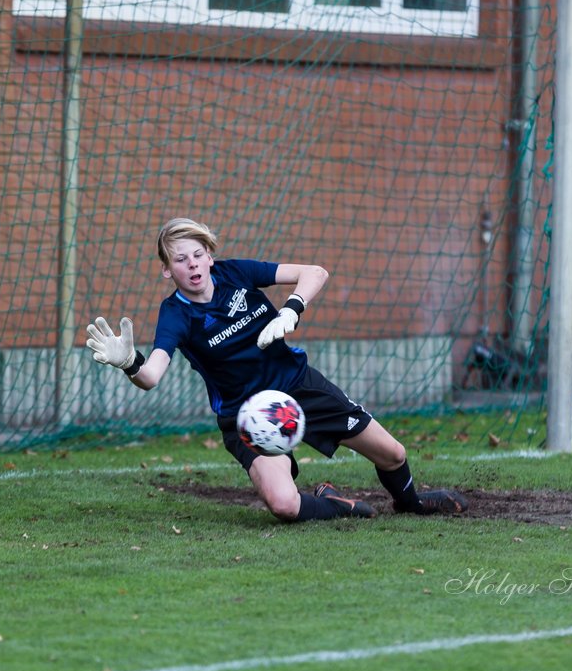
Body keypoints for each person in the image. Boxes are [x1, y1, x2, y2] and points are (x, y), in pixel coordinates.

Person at [86, 217, 469, 523]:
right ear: (167, 270)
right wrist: (128, 362)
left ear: (210, 257)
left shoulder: (237, 273)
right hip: (246, 416)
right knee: (284, 505)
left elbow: (315, 272)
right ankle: (338, 505)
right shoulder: (176, 314)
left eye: (198, 254)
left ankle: (411, 504)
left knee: (393, 454)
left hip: (297, 387)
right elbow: (150, 376)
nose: (192, 264)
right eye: (180, 259)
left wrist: (291, 309)